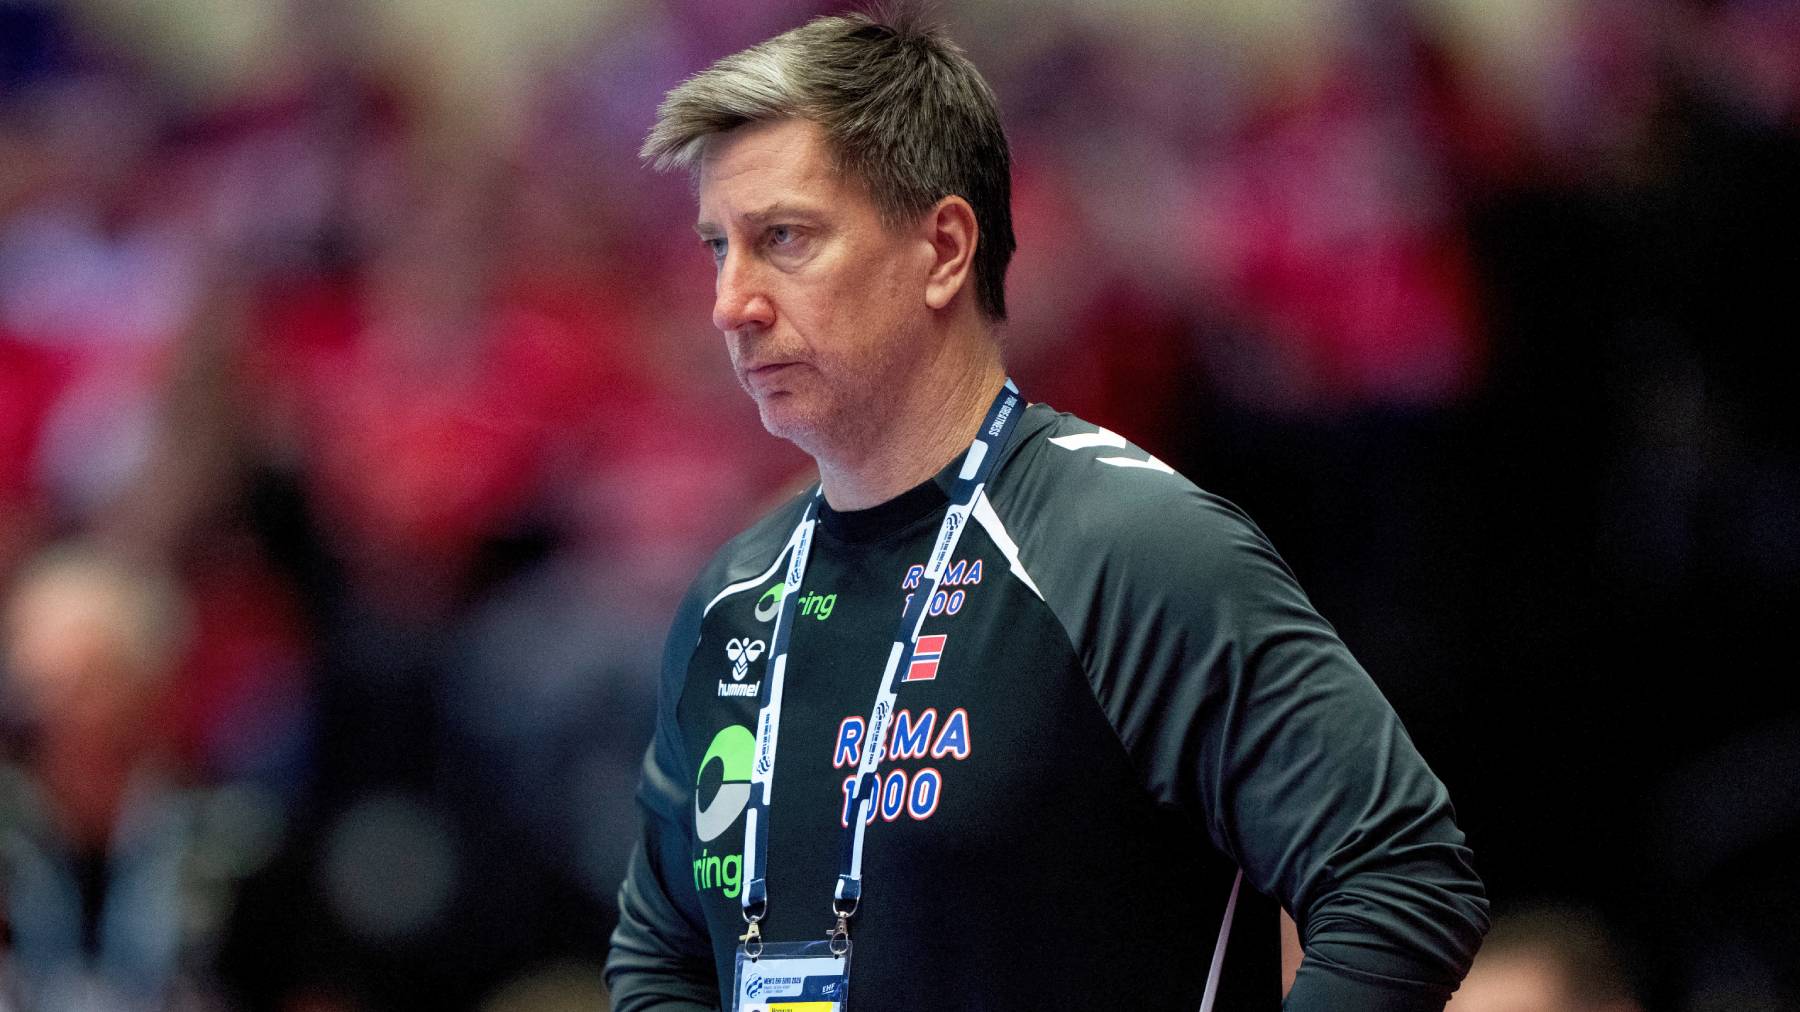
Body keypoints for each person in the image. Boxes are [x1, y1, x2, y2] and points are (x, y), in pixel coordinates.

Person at [605, 10, 1488, 1011]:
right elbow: (660, 955)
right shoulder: (730, 599)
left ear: (943, 249)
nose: (731, 301)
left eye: (785, 238)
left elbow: (1401, 872)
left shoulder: (1132, 548)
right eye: (719, 246)